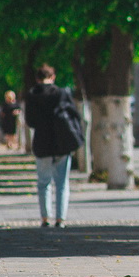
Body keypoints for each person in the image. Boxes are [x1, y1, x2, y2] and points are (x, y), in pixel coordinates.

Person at [24, 64, 85, 228]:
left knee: (43, 182)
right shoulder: (62, 93)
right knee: (62, 182)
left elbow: (30, 121)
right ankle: (60, 219)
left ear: (37, 79)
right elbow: (74, 115)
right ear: (53, 77)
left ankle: (45, 218)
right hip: (62, 143)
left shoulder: (32, 94)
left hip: (42, 143)